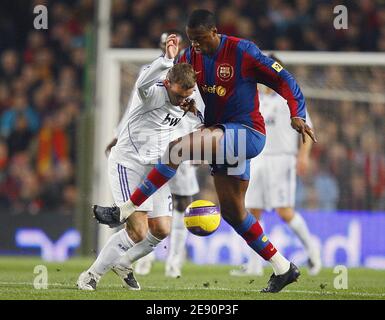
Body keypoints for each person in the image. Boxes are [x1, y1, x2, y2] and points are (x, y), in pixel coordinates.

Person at [94, 9, 317, 293]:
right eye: (191, 40)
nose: (195, 45)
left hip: (246, 134)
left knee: (177, 149)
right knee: (234, 213)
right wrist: (186, 106)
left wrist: (296, 112)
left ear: (214, 32)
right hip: (221, 138)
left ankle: (125, 208)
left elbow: (285, 79)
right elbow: (177, 92)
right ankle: (283, 267)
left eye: (200, 39)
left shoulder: (242, 51)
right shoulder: (190, 57)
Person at [77, 34, 205, 291]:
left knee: (162, 229)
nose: (183, 99)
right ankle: (90, 276)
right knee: (137, 230)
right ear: (169, 83)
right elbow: (143, 82)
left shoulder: (187, 103)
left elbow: (199, 125)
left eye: (188, 94)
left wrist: (196, 114)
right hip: (128, 164)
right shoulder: (152, 92)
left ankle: (123, 263)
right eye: (180, 93)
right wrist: (167, 59)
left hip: (155, 170)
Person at [230, 56, 322, 277]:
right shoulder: (255, 96)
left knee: (285, 212)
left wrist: (303, 155)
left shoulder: (288, 96)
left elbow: (307, 129)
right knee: (252, 211)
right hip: (257, 157)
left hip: (282, 159)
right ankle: (253, 265)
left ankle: (313, 252)